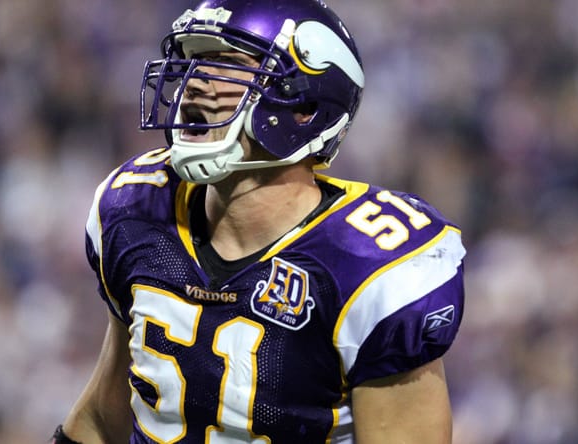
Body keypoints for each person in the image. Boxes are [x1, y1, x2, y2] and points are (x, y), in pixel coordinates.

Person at [52, 0, 466, 442]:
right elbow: (103, 416)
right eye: (193, 63)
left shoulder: (369, 265)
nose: (193, 84)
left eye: (225, 66)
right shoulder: (137, 209)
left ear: (304, 107)